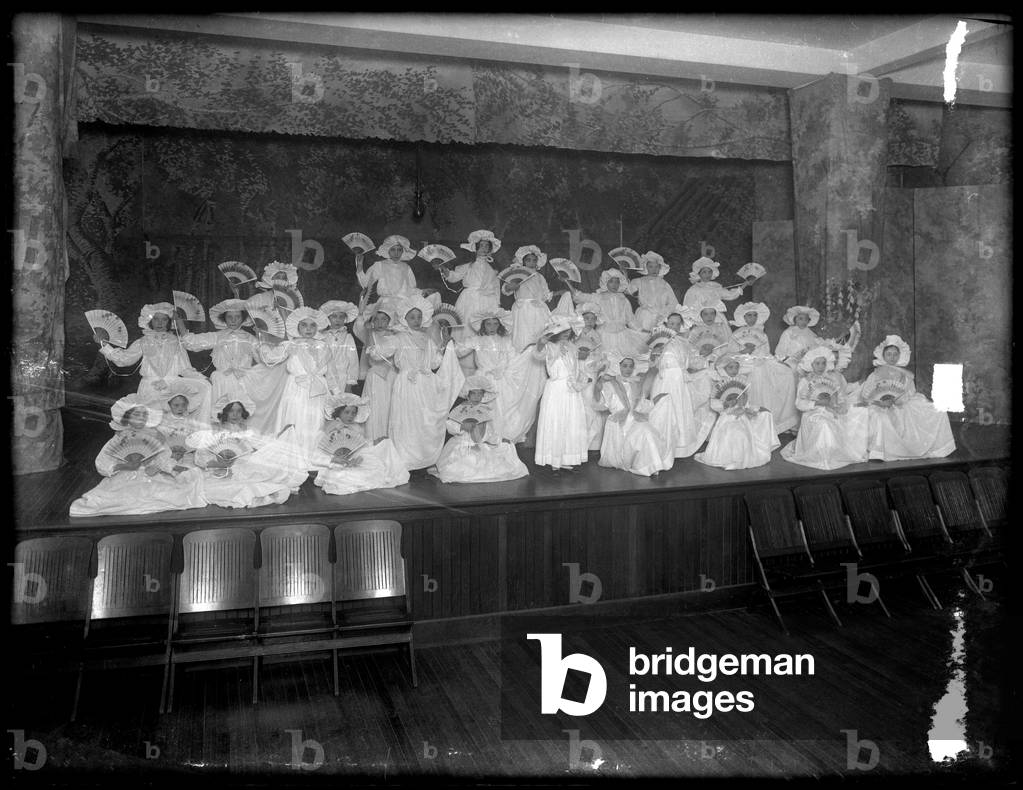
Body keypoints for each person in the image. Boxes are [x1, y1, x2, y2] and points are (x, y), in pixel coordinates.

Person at [69, 397, 206, 517]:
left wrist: (161, 467)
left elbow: (163, 457)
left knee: (175, 490)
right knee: (118, 498)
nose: (141, 418)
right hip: (125, 475)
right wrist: (124, 466)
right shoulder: (121, 436)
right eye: (136, 414)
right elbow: (102, 463)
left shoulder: (154, 434)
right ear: (127, 417)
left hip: (151, 474)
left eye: (144, 415)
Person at [383, 294, 466, 471]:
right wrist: (376, 346)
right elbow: (381, 351)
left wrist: (443, 345)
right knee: (407, 419)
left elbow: (434, 362)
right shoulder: (399, 337)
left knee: (424, 420)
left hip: (425, 384)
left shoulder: (427, 339)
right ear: (404, 318)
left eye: (419, 317)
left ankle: (423, 457)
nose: (416, 320)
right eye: (412, 317)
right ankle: (405, 458)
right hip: (407, 382)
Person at [179, 298, 286, 430]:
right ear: (224, 319)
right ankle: (220, 442)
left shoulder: (249, 338)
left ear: (243, 318)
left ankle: (239, 442)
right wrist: (179, 323)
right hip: (222, 380)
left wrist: (264, 336)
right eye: (230, 317)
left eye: (237, 317)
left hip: (242, 381)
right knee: (221, 413)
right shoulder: (218, 336)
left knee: (239, 413)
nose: (233, 320)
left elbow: (265, 357)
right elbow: (192, 342)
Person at [188, 395, 308, 508]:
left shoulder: (247, 432)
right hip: (223, 469)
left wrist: (282, 434)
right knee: (224, 487)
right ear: (225, 412)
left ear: (243, 413)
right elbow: (200, 456)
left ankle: (261, 488)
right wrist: (218, 463)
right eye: (231, 411)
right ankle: (257, 494)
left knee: (272, 460)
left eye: (239, 411)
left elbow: (264, 444)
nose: (235, 415)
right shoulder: (215, 432)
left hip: (245, 466)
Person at [98, 302, 213, 420]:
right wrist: (105, 346)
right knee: (149, 421)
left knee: (169, 423)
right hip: (149, 387)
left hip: (171, 389)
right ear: (150, 321)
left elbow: (185, 369)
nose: (160, 323)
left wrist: (202, 379)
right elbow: (124, 359)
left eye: (164, 319)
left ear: (169, 322)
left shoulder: (176, 342)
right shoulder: (143, 341)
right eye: (156, 319)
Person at [856, 335, 956, 460]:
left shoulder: (904, 375)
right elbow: (867, 393)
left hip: (901, 404)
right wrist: (880, 401)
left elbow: (909, 392)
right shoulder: (876, 374)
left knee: (934, 411)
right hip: (879, 406)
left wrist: (896, 400)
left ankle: (938, 447)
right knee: (880, 417)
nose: (892, 357)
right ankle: (879, 452)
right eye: (889, 354)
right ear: (883, 355)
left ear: (899, 356)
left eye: (895, 354)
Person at [259, 306, 333, 469]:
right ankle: (295, 457)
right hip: (297, 388)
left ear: (318, 327)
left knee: (315, 421)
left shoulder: (324, 346)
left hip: (317, 390)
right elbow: (270, 358)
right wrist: (263, 343)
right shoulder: (289, 344)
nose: (308, 329)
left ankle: (312, 454)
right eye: (304, 325)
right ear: (297, 327)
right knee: (297, 418)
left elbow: (330, 372)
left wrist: (336, 393)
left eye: (312, 325)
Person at [780, 347, 869, 470]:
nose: (821, 366)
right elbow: (799, 404)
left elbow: (840, 398)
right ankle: (819, 455)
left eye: (823, 363)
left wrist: (834, 402)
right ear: (811, 364)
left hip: (830, 411)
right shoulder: (805, 381)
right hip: (812, 414)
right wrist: (816, 404)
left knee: (838, 420)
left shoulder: (832, 380)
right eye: (817, 363)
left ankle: (832, 454)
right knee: (823, 425)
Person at [431, 376, 529, 483]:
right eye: (474, 393)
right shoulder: (460, 409)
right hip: (464, 441)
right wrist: (462, 427)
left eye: (479, 394)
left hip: (481, 441)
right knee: (466, 463)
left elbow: (490, 430)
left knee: (502, 451)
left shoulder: (485, 410)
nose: (477, 396)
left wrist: (498, 439)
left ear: (483, 395)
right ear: (468, 395)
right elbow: (450, 424)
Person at [311, 393, 410, 495]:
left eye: (353, 413)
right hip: (336, 459)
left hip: (355, 455)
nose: (350, 416)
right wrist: (335, 457)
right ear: (338, 412)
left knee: (376, 464)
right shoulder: (331, 426)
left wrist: (376, 441)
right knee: (341, 475)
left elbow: (362, 443)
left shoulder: (356, 427)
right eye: (347, 412)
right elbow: (324, 446)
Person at [694, 356, 780, 470]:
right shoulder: (719, 384)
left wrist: (748, 406)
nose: (734, 370)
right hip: (727, 417)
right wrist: (726, 404)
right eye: (731, 367)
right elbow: (714, 405)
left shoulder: (742, 383)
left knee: (765, 415)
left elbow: (747, 404)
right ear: (724, 369)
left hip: (742, 414)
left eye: (736, 367)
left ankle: (747, 455)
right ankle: (732, 458)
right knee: (736, 433)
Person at [725, 302, 799, 433]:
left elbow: (766, 353)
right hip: (742, 364)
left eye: (754, 315)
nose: (752, 318)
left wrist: (777, 361)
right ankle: (746, 423)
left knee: (784, 372)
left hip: (760, 363)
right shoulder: (737, 334)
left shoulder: (762, 334)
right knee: (753, 374)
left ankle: (768, 422)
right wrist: (744, 351)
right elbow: (730, 355)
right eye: (749, 315)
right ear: (743, 317)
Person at [595, 354, 673, 478]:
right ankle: (647, 465)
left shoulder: (635, 384)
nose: (628, 369)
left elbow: (640, 405)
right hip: (619, 423)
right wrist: (599, 383)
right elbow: (600, 402)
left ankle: (651, 466)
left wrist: (656, 400)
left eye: (631, 366)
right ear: (618, 366)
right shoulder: (610, 384)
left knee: (647, 431)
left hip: (635, 419)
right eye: (625, 366)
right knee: (644, 433)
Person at [533, 315, 590, 472]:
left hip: (570, 389)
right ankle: (553, 460)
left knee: (570, 421)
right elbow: (538, 355)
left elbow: (575, 368)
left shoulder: (572, 347)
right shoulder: (550, 346)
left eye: (568, 329)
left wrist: (579, 379)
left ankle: (566, 457)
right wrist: (541, 343)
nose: (566, 332)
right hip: (556, 389)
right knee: (556, 420)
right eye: (563, 329)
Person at [352, 297, 401, 441]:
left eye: (384, 319)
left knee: (389, 407)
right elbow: (358, 327)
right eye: (377, 319)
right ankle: (372, 438)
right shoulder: (368, 334)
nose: (380, 323)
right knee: (374, 407)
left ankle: (388, 439)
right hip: (374, 376)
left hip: (391, 376)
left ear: (389, 321)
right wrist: (361, 313)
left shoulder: (394, 337)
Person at [440, 229, 502, 341]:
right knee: (467, 325)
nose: (484, 248)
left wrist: (497, 303)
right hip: (469, 299)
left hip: (487, 299)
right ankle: (463, 353)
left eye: (486, 246)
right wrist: (447, 272)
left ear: (490, 249)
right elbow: (455, 277)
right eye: (481, 246)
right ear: (475, 248)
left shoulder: (493, 268)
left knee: (485, 326)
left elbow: (496, 286)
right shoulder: (469, 265)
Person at [571, 268, 646, 357]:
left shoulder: (623, 299)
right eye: (611, 281)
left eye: (617, 282)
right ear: (605, 283)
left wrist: (640, 330)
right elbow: (581, 297)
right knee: (605, 357)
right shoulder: (599, 297)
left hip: (622, 334)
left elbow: (630, 319)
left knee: (628, 356)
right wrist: (573, 290)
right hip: (604, 335)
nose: (614, 285)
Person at [506, 245, 555, 352]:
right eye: (528, 260)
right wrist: (511, 287)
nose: (531, 263)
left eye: (534, 260)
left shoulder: (539, 277)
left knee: (538, 331)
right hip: (522, 308)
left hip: (538, 308)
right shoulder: (516, 273)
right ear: (523, 261)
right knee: (523, 333)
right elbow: (506, 290)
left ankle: (537, 354)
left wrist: (545, 298)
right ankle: (521, 355)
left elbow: (545, 293)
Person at [153, 380, 208, 468]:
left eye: (183, 405)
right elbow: (160, 438)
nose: (180, 408)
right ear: (169, 405)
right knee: (165, 464)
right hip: (168, 452)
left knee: (191, 465)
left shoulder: (189, 420)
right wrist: (170, 451)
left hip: (185, 452)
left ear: (187, 405)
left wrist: (186, 449)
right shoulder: (165, 420)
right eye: (176, 405)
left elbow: (193, 437)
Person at [356, 234, 418, 300]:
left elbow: (412, 288)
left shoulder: (406, 267)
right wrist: (359, 266)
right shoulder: (380, 265)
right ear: (388, 251)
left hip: (403, 302)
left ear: (402, 252)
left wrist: (423, 292)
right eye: (393, 250)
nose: (396, 253)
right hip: (385, 302)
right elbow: (365, 283)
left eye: (399, 250)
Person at [629, 252, 679, 333]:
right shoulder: (639, 281)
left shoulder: (664, 284)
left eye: (656, 267)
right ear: (646, 267)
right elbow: (629, 290)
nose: (654, 269)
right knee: (643, 338)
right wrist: (624, 276)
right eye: (651, 267)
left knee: (658, 341)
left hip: (660, 317)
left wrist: (664, 313)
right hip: (644, 316)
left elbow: (673, 302)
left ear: (660, 268)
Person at [319, 300, 361, 394]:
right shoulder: (322, 337)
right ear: (328, 318)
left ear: (345, 319)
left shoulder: (348, 337)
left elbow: (353, 362)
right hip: (324, 378)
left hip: (341, 378)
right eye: (334, 316)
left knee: (339, 404)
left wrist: (349, 383)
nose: (338, 320)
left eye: (341, 317)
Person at [682, 256, 746, 309]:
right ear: (698, 274)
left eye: (710, 272)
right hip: (699, 319)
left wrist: (745, 284)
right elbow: (688, 307)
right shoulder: (693, 290)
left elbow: (730, 295)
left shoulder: (715, 287)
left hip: (716, 316)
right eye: (704, 272)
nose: (707, 274)